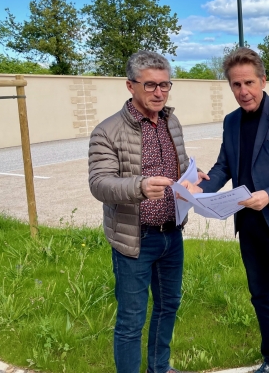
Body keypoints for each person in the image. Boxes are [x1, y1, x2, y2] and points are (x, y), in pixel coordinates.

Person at [191, 47, 269, 373]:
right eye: (236, 85)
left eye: (249, 82)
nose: (243, 91)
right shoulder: (231, 122)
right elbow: (223, 167)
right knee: (260, 297)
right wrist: (199, 189)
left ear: (263, 80)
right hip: (248, 224)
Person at [88, 50, 203, 373]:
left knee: (168, 306)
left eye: (165, 85)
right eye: (151, 85)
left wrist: (192, 175)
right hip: (134, 239)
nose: (159, 93)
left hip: (171, 234)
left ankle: (159, 367)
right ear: (130, 86)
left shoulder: (171, 121)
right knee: (131, 319)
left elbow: (175, 164)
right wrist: (139, 186)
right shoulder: (107, 131)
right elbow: (99, 183)